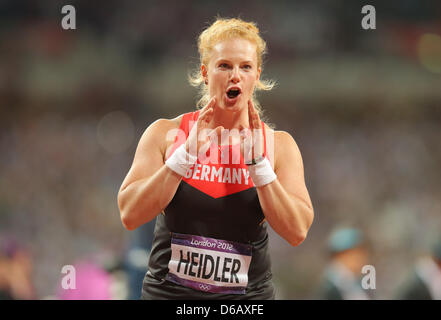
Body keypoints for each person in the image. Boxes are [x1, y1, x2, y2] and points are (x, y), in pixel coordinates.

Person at [117, 17, 314, 300]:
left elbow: (297, 231)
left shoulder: (279, 146)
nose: (235, 75)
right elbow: (130, 214)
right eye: (224, 65)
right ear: (205, 72)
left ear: (256, 76)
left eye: (245, 67)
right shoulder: (165, 134)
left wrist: (260, 168)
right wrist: (183, 158)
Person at [315, 228, 371, 300]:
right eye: (357, 254)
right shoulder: (330, 288)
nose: (363, 258)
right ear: (342, 255)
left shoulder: (353, 282)